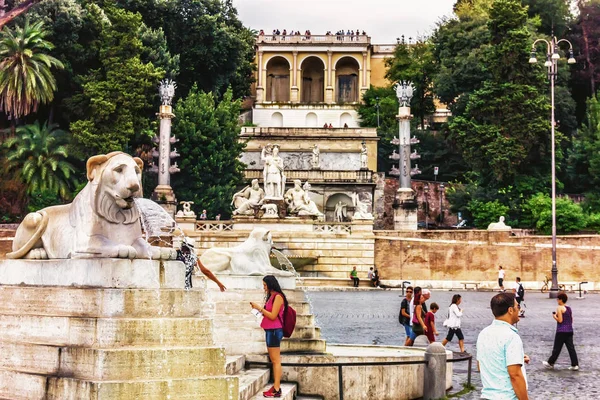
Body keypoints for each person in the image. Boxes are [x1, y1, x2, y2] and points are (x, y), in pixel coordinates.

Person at [477, 293, 529, 400]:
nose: (519, 310)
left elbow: (480, 365)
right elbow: (515, 375)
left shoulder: (483, 333)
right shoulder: (511, 337)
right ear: (510, 310)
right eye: (518, 306)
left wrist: (516, 358)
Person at [250, 276, 288, 398]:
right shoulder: (272, 296)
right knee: (274, 360)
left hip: (274, 331)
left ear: (271, 284)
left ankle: (277, 388)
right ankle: (276, 386)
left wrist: (259, 308)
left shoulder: (278, 297)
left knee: (276, 361)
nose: (264, 287)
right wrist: (260, 311)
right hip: (270, 330)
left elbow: (272, 316)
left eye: (265, 285)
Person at [542, 292, 579, 371]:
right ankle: (575, 364)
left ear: (561, 300)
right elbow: (571, 320)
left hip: (561, 331)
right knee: (571, 348)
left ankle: (550, 363)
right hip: (569, 330)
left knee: (557, 348)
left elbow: (560, 320)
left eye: (558, 299)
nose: (557, 300)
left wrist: (554, 316)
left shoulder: (559, 308)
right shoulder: (569, 308)